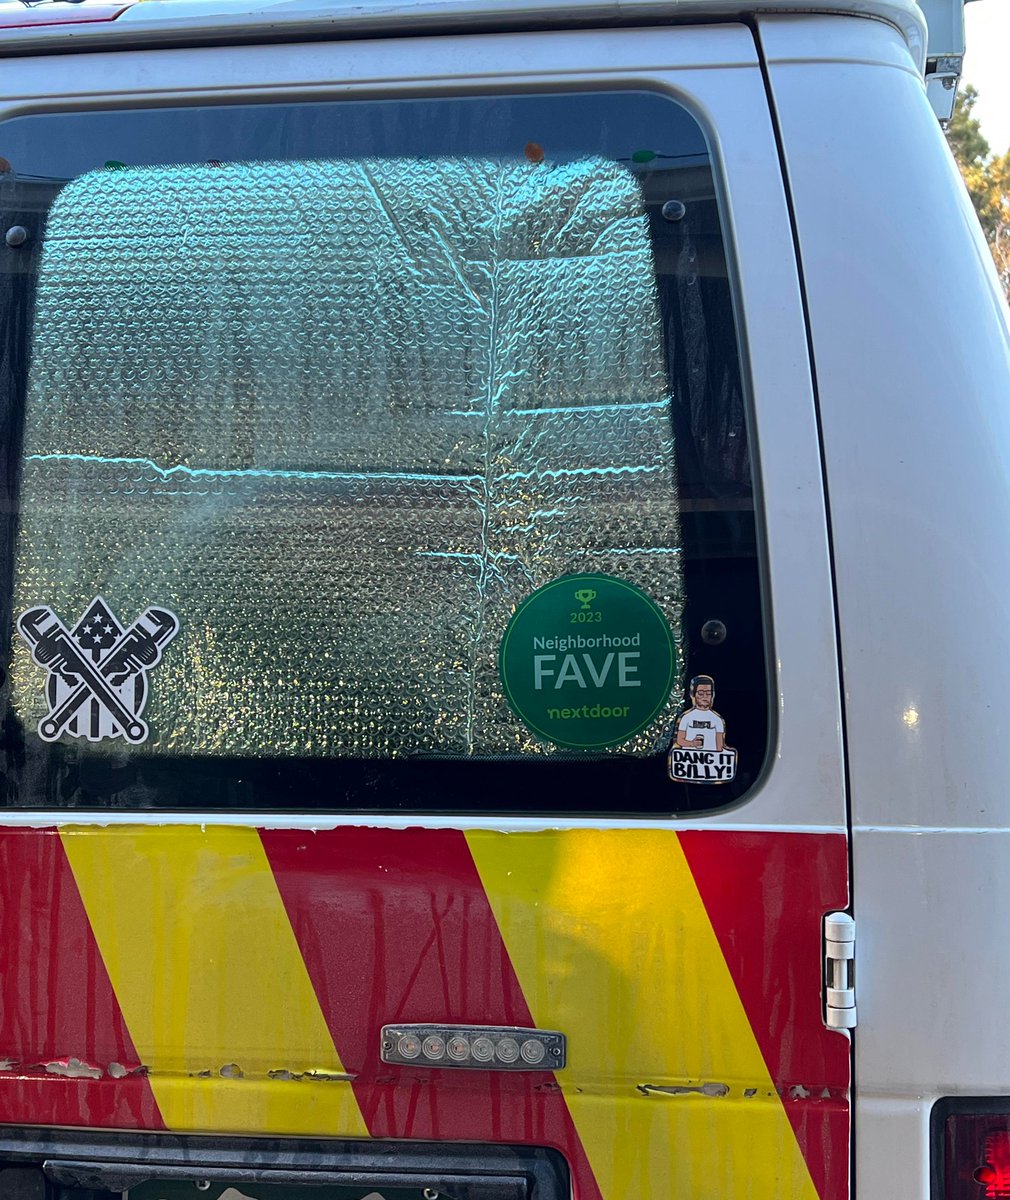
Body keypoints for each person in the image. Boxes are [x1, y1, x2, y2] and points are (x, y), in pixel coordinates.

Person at [675, 675, 725, 752]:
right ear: (693, 694)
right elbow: (680, 740)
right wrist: (692, 744)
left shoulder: (717, 720)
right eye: (701, 693)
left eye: (708, 693)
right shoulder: (686, 718)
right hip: (688, 761)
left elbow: (720, 747)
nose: (705, 696)